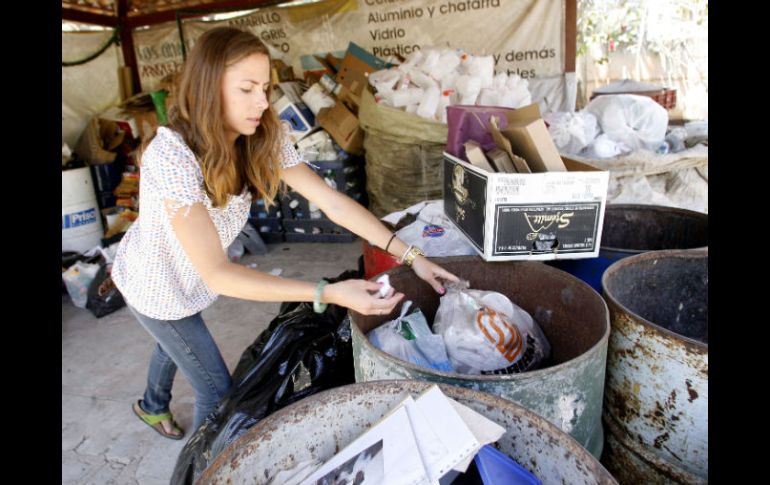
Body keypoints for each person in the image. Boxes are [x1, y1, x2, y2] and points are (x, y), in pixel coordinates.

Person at [111, 26, 459, 440]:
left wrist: (412, 257)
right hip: (156, 284)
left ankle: (151, 405)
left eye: (265, 87)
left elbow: (330, 202)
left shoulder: (259, 136)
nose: (262, 101)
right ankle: (204, 465)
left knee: (177, 342)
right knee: (218, 392)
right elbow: (219, 274)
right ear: (207, 88)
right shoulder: (171, 157)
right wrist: (326, 293)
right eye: (246, 88)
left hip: (191, 279)